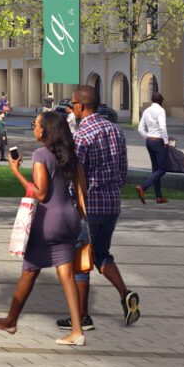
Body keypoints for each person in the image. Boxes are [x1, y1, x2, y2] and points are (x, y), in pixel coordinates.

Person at [0, 109, 88, 346]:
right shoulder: (70, 155)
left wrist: (15, 172)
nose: (34, 127)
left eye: (36, 124)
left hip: (48, 222)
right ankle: (77, 331)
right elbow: (82, 193)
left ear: (44, 130)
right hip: (70, 219)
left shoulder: (41, 154)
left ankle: (10, 321)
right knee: (66, 273)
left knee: (30, 270)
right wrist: (77, 217)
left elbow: (41, 194)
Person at [69, 84, 140, 331]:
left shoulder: (81, 135)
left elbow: (76, 175)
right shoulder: (116, 131)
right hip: (112, 203)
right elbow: (123, 170)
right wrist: (113, 189)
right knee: (102, 254)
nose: (71, 107)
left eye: (73, 103)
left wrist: (73, 202)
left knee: (81, 260)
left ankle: (83, 317)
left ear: (82, 106)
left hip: (88, 207)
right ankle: (125, 294)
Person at [135, 92, 170, 204]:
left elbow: (140, 128)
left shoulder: (146, 111)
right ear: (160, 100)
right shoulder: (161, 110)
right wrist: (165, 141)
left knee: (156, 169)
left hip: (149, 141)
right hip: (159, 141)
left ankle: (159, 196)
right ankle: (142, 187)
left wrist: (148, 137)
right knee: (162, 168)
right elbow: (163, 127)